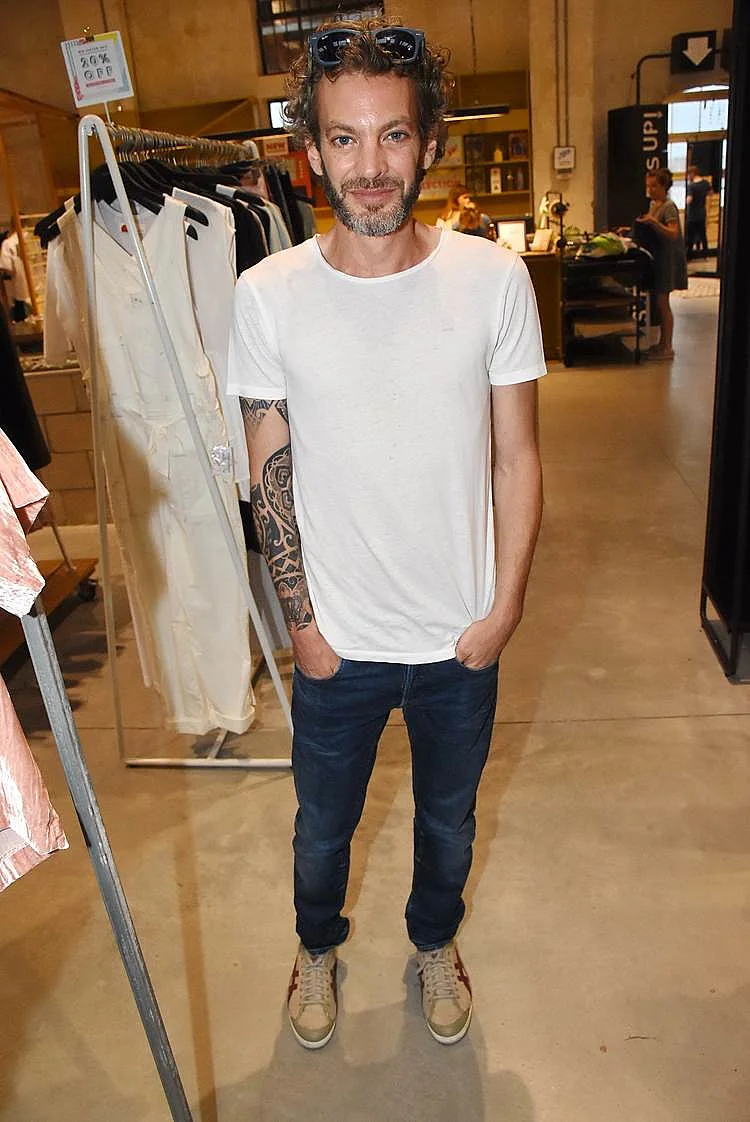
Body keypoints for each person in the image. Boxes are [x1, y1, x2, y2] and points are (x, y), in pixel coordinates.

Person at [227, 18, 546, 1051]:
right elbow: (268, 474)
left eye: (393, 135)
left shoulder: (493, 280)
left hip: (460, 640)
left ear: (429, 141)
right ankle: (315, 945)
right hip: (339, 645)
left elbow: (518, 457)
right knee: (322, 834)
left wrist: (504, 609)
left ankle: (433, 942)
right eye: (345, 138)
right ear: (311, 154)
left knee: (449, 826)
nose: (370, 165)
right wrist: (304, 628)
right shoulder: (267, 296)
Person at [634, 167, 687, 360]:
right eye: (648, 186)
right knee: (659, 302)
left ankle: (668, 346)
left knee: (663, 303)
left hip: (667, 260)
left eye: (654, 186)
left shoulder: (668, 207)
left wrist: (654, 223)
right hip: (657, 259)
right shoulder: (653, 205)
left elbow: (673, 233)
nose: (650, 190)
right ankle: (662, 343)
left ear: (664, 186)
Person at [685, 165, 712, 259]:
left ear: (692, 174)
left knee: (690, 236)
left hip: (692, 214)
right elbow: (710, 193)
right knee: (702, 234)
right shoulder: (706, 183)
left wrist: (686, 200)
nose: (688, 177)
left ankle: (689, 256)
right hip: (702, 212)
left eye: (688, 175)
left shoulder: (692, 186)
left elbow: (689, 200)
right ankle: (705, 254)